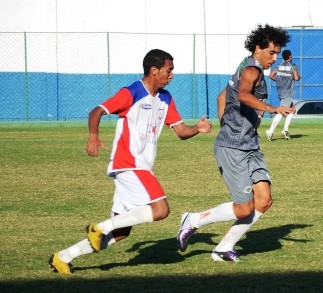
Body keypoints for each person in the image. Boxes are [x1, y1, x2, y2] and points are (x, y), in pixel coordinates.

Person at [48, 49, 212, 274]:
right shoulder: (131, 92)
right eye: (169, 69)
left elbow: (181, 131)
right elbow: (97, 111)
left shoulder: (165, 98)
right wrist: (93, 137)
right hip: (129, 164)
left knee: (122, 232)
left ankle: (63, 257)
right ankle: (99, 227)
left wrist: (198, 129)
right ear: (154, 71)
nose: (172, 74)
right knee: (161, 209)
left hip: (140, 167)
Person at [177, 24, 295, 262]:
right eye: (271, 52)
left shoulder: (244, 66)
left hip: (249, 144)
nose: (274, 57)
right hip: (234, 148)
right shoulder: (252, 71)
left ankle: (223, 248)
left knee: (264, 200)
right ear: (258, 48)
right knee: (244, 208)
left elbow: (223, 96)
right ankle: (193, 219)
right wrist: (271, 108)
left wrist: (227, 124)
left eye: (276, 52)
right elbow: (242, 95)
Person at [265, 49, 301, 141]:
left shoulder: (279, 66)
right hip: (288, 92)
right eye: (291, 55)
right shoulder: (293, 66)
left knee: (292, 110)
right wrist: (299, 76)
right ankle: (270, 131)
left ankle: (285, 130)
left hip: (280, 90)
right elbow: (296, 78)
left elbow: (271, 76)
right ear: (290, 56)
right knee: (281, 111)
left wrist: (279, 81)